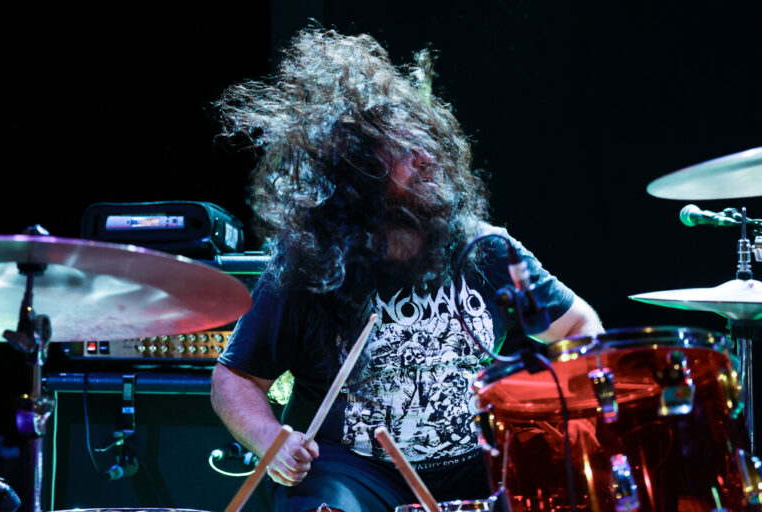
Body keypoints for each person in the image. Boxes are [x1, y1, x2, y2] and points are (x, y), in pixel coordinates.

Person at [210, 27, 604, 512]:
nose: (426, 157)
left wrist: (577, 408)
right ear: (358, 174)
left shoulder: (486, 251)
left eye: (427, 142)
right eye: (403, 151)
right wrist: (272, 442)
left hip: (476, 465)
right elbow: (235, 379)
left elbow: (579, 328)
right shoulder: (309, 265)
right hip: (353, 472)